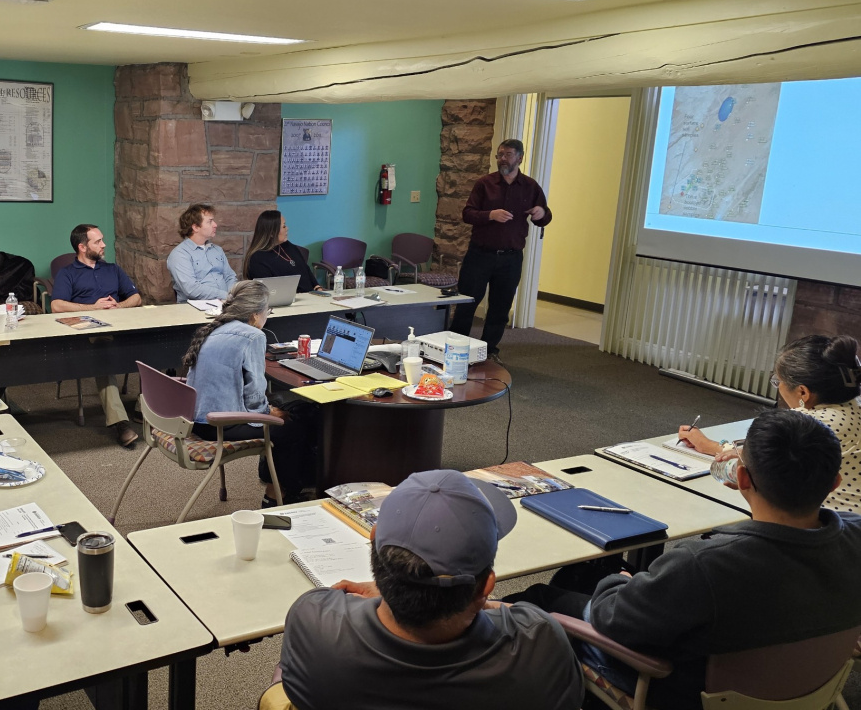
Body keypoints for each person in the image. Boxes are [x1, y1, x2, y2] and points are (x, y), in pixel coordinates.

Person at [508, 409, 861, 710]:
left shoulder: (704, 565)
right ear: (834, 483)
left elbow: (610, 617)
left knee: (540, 599)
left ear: (740, 478)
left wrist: (621, 584)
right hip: (810, 684)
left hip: (677, 688)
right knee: (596, 575)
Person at [278, 470, 584, 710]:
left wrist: (389, 596)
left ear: (373, 542)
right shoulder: (542, 646)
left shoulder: (313, 622)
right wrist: (488, 605)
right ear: (486, 587)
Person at [679, 334, 860, 513]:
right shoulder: (853, 407)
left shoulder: (807, 425)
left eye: (777, 381)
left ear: (803, 393)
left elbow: (757, 464)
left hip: (831, 528)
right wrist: (712, 446)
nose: (778, 387)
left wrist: (710, 446)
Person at [182, 280, 318, 505]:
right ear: (255, 315)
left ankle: (281, 486)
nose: (268, 316)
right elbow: (255, 392)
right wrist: (268, 413)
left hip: (197, 418)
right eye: (268, 311)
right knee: (291, 428)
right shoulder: (253, 336)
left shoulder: (215, 328)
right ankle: (276, 496)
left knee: (287, 411)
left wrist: (269, 410)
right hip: (219, 424)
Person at [448, 139, 551, 361]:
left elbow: (544, 216)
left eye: (508, 154)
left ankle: (488, 351)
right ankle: (456, 349)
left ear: (520, 158)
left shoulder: (531, 186)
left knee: (500, 308)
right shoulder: (484, 184)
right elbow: (467, 214)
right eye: (500, 155)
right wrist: (490, 215)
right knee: (467, 302)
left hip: (511, 258)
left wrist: (542, 214)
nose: (502, 159)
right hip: (480, 255)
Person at [50, 224, 142, 448]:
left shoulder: (112, 269)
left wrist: (119, 306)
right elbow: (56, 305)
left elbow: (136, 297)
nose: (103, 245)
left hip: (120, 326)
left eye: (102, 240)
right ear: (82, 247)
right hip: (89, 332)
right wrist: (92, 308)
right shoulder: (68, 273)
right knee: (103, 358)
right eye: (97, 241)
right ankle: (120, 422)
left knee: (153, 347)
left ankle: (144, 407)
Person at [167, 203, 237, 303]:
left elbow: (230, 277)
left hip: (226, 305)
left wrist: (232, 297)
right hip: (195, 309)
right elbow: (191, 289)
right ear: (195, 227)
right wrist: (225, 296)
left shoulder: (217, 250)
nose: (215, 225)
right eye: (210, 222)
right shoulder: (180, 254)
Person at [242, 210, 318, 292]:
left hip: (310, 296)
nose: (287, 228)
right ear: (271, 233)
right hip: (287, 302)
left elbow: (305, 269)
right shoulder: (257, 258)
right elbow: (269, 291)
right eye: (284, 226)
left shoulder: (287, 246)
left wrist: (317, 286)